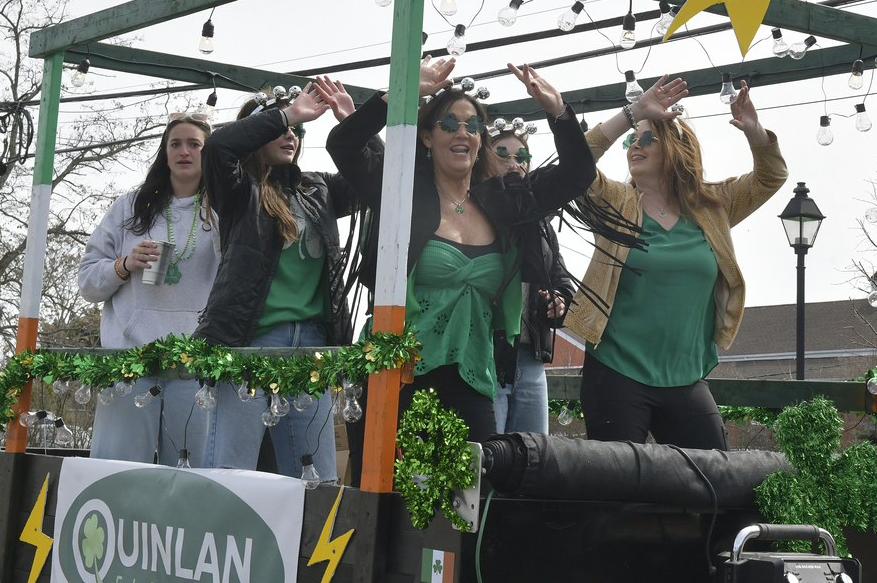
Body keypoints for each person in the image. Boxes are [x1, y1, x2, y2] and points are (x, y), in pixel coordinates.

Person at [324, 59, 597, 457]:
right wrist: (400, 94)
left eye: (473, 126)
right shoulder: (400, 191)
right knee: (386, 504)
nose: (463, 132)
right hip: (394, 371)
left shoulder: (505, 200)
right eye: (450, 124)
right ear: (428, 137)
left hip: (472, 375)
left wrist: (558, 111)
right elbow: (343, 145)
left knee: (470, 498)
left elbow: (578, 173)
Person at [563, 77, 788, 449]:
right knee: (616, 492)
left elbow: (771, 176)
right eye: (630, 140)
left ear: (674, 148)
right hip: (617, 373)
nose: (634, 145)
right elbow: (575, 161)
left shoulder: (713, 206)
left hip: (686, 377)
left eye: (646, 138)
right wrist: (632, 114)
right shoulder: (615, 202)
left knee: (714, 483)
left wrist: (755, 132)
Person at [192, 81, 372, 482]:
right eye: (281, 129)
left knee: (318, 481)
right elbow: (219, 147)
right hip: (249, 341)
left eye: (298, 131)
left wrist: (356, 123)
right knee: (231, 473)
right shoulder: (238, 189)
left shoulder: (320, 189)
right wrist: (288, 113)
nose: (291, 135)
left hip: (313, 346)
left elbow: (379, 179)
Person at [78, 112, 221, 466]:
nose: (184, 151)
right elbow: (87, 282)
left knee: (190, 481)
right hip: (130, 364)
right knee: (117, 474)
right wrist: (124, 265)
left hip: (194, 367)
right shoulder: (130, 207)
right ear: (165, 152)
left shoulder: (224, 211)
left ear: (210, 153)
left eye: (194, 144)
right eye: (175, 144)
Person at [487, 122, 576, 434]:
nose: (514, 164)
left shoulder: (540, 224)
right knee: (486, 460)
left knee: (533, 461)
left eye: (522, 157)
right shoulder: (475, 214)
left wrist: (559, 303)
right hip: (488, 355)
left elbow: (560, 278)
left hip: (531, 356)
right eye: (503, 156)